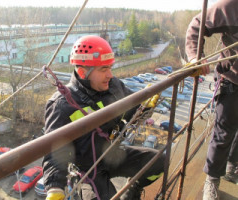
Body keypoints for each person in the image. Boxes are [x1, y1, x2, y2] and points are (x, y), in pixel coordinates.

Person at [42, 35, 165, 200]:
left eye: (110, 67)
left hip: (113, 155)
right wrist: (55, 188)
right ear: (82, 72)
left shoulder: (114, 86)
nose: (110, 75)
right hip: (87, 170)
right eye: (103, 69)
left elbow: (132, 114)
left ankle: (132, 189)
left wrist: (145, 107)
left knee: (160, 161)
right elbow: (53, 151)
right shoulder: (62, 104)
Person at [185, 0, 238, 199]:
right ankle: (212, 181)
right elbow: (197, 25)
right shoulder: (231, 6)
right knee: (223, 133)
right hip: (231, 78)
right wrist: (196, 56)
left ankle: (232, 166)